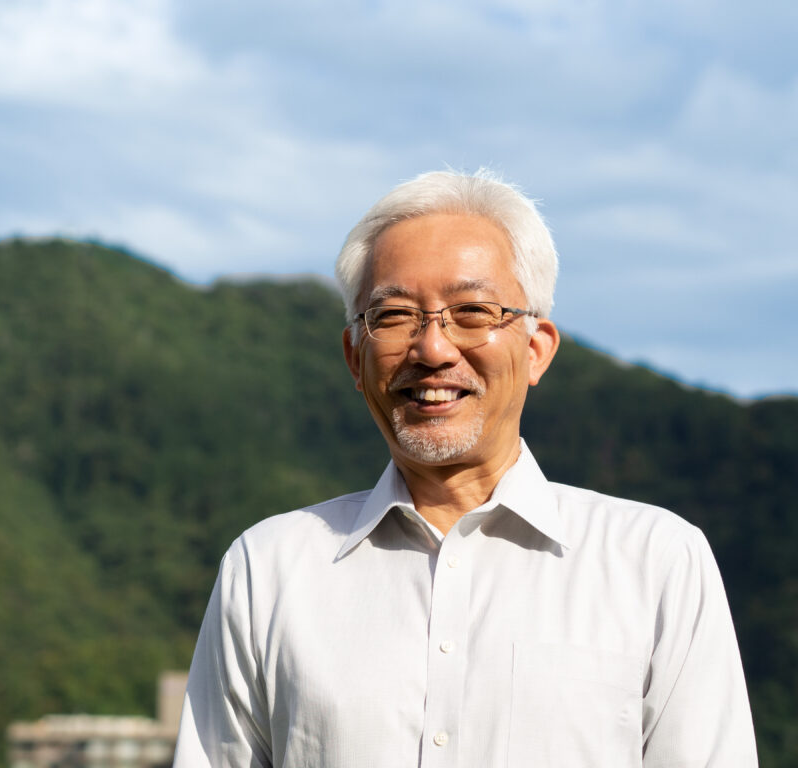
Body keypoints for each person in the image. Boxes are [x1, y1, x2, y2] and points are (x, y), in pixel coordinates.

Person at [172, 171, 758, 767]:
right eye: (394, 315)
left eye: (472, 311)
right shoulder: (268, 570)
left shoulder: (655, 561)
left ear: (536, 349)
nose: (432, 349)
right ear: (355, 356)